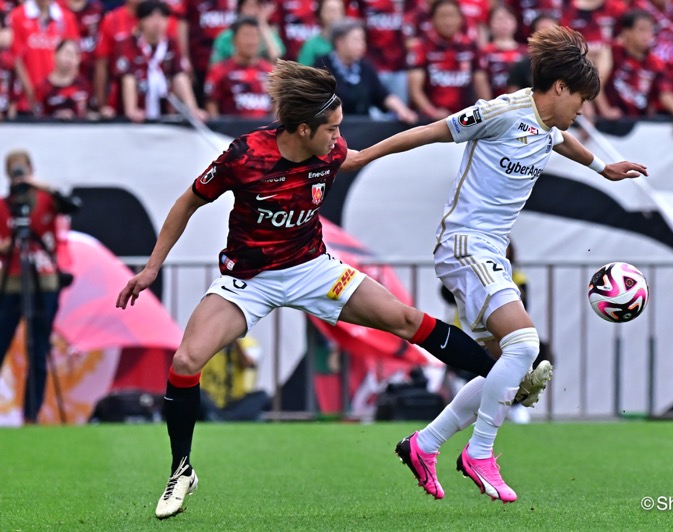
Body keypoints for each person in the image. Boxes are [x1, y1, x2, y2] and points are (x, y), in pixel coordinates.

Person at [116, 59, 545, 519]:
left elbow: (357, 156)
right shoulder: (244, 157)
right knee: (185, 360)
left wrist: (406, 141)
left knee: (403, 318)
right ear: (302, 129)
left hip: (314, 268)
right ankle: (181, 469)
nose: (339, 139)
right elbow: (187, 202)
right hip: (250, 280)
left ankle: (505, 375)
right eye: (332, 130)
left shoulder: (330, 152)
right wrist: (151, 267)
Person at [348, 26, 647, 503]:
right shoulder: (502, 112)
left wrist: (601, 167)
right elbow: (430, 131)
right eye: (581, 101)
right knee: (526, 344)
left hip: (492, 252)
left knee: (502, 366)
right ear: (561, 88)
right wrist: (364, 155)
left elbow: (561, 141)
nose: (582, 111)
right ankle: (479, 453)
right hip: (465, 245)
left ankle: (424, 445)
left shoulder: (548, 128)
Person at [0, 150, 80, 423]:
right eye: (14, 169)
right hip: (11, 282)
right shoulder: (2, 206)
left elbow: (72, 206)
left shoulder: (46, 200)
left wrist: (44, 186)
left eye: (22, 169)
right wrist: (9, 245)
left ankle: (30, 415)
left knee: (38, 347)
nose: (19, 174)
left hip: (44, 281)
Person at [594, 9, 673, 134]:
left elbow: (665, 92)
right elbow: (596, 82)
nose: (647, 35)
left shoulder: (654, 62)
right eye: (641, 30)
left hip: (638, 125)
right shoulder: (611, 51)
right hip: (609, 125)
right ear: (627, 32)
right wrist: (605, 110)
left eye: (650, 30)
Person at [114, 0, 203, 123]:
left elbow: (179, 75)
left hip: (164, 110)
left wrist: (192, 108)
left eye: (162, 17)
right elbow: (128, 78)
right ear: (141, 21)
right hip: (137, 109)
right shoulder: (128, 45)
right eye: (151, 17)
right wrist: (131, 109)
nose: (157, 22)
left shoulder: (171, 44)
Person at [314, 18, 417, 123]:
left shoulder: (365, 66)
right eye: (356, 40)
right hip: (336, 124)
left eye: (363, 39)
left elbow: (382, 94)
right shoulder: (322, 66)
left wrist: (403, 111)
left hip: (363, 125)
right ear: (340, 42)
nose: (362, 44)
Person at [407, 0, 491, 120]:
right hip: (430, 120)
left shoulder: (471, 46)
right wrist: (433, 113)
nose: (448, 21)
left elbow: (481, 83)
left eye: (452, 16)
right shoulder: (422, 47)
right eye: (442, 16)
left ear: (461, 19)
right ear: (432, 20)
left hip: (466, 118)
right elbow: (415, 89)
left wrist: (487, 113)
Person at [204, 17, 274, 118]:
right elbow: (211, 105)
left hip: (263, 131)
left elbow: (277, 107)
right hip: (230, 131)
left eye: (255, 36)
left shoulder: (271, 72)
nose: (251, 42)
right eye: (246, 36)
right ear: (234, 40)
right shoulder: (219, 71)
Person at [198, 336, 271, 421]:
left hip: (237, 401)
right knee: (197, 394)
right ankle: (231, 417)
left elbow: (247, 363)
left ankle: (218, 417)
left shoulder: (248, 343)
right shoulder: (205, 343)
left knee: (262, 396)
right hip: (210, 400)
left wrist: (236, 343)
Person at [209, 0, 284, 65]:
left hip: (262, 78)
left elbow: (276, 57)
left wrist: (262, 24)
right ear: (240, 8)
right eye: (250, 6)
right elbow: (215, 66)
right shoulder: (226, 36)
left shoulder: (268, 33)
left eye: (258, 6)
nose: (254, 11)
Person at [37, 39, 91, 119]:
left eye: (73, 55)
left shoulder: (84, 85)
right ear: (55, 55)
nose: (69, 59)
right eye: (66, 53)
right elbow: (37, 117)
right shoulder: (43, 87)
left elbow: (90, 112)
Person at [296, 0, 344, 66]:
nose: (335, 15)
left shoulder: (349, 43)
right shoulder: (311, 45)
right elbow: (300, 73)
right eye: (331, 10)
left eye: (339, 10)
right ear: (320, 14)